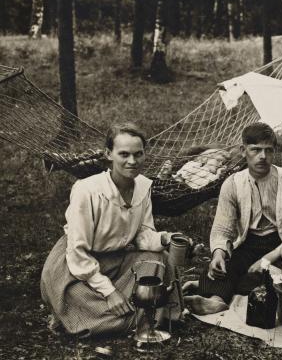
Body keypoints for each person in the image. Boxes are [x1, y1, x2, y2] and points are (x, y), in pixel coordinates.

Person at [40, 122, 179, 337]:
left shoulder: (143, 186)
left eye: (138, 154)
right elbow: (77, 252)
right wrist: (111, 292)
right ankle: (126, 314)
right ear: (108, 153)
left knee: (159, 260)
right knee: (78, 300)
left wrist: (164, 238)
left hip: (116, 259)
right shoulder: (87, 190)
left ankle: (125, 314)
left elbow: (142, 234)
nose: (132, 161)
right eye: (123, 154)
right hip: (75, 266)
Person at [183, 122, 282, 314]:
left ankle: (221, 288)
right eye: (255, 150)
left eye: (268, 150)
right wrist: (218, 253)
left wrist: (269, 258)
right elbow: (223, 228)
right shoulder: (232, 184)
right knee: (221, 268)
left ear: (274, 152)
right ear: (243, 150)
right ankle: (216, 300)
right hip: (248, 242)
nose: (262, 157)